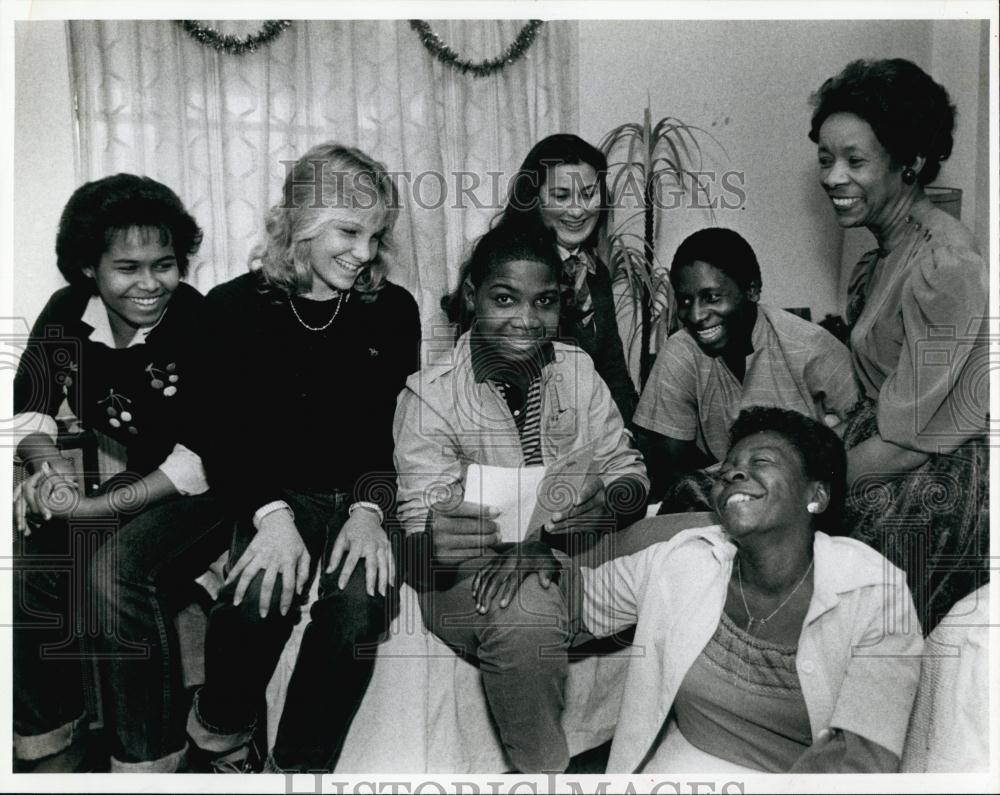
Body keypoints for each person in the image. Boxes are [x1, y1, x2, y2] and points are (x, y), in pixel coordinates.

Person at [491, 407, 923, 773]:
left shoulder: (873, 591)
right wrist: (545, 559)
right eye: (729, 467)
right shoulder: (686, 560)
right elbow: (582, 601)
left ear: (817, 495)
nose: (733, 472)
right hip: (683, 767)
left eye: (762, 462)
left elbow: (864, 758)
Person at [185, 142, 421, 773]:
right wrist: (272, 517)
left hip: (363, 496)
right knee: (260, 594)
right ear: (300, 223)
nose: (364, 252)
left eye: (376, 235)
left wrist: (371, 511)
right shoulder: (231, 309)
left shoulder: (392, 311)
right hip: (273, 492)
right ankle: (221, 737)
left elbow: (394, 432)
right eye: (348, 231)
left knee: (357, 609)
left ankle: (298, 770)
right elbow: (223, 434)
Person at [394, 223, 648, 773]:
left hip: (573, 550)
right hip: (472, 578)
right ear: (471, 297)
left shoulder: (577, 371)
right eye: (504, 299)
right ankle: (544, 775)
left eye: (545, 302)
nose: (527, 321)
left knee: (704, 537)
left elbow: (630, 475)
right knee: (525, 610)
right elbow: (415, 549)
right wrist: (434, 545)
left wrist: (608, 505)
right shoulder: (429, 397)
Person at [12, 174, 229, 772]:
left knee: (113, 574)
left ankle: (147, 760)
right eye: (127, 267)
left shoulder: (197, 318)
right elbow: (29, 407)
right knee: (35, 552)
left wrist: (86, 508)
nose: (150, 283)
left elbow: (200, 456)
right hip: (143, 478)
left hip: (213, 490)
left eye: (164, 265)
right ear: (88, 267)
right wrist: (47, 470)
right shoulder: (66, 313)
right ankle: (49, 739)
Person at [810, 58, 989, 632]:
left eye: (855, 161)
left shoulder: (945, 262)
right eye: (826, 159)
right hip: (885, 450)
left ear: (909, 163)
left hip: (936, 478)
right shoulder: (879, 256)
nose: (834, 177)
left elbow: (914, 440)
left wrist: (812, 490)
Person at [633, 227, 857, 507]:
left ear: (752, 289)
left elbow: (863, 431)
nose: (696, 315)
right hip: (721, 500)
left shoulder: (809, 347)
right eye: (685, 300)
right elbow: (669, 473)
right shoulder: (682, 352)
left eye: (712, 297)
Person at [480, 133, 639, 423]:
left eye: (589, 194)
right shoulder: (505, 266)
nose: (577, 211)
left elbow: (612, 369)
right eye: (561, 196)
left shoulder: (595, 271)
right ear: (533, 199)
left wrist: (624, 438)